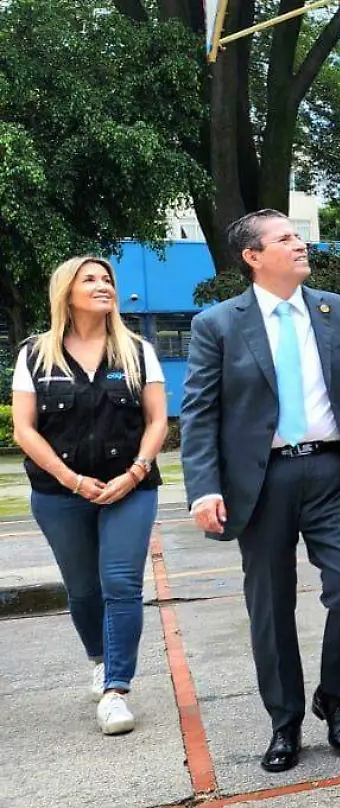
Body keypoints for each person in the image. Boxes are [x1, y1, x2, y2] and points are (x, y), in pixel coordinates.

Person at [179, 210, 340, 773]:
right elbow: (200, 415)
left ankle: (335, 698)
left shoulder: (339, 312)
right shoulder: (218, 325)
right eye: (285, 239)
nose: (300, 245)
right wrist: (203, 488)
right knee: (271, 606)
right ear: (253, 256)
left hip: (332, 472)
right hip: (262, 480)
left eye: (298, 237)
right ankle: (286, 721)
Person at [11, 257, 168, 736]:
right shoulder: (36, 354)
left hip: (130, 488)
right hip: (59, 493)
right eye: (91, 280)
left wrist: (136, 471)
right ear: (66, 292)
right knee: (83, 589)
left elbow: (158, 420)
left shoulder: (138, 351)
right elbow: (24, 429)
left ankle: (116, 690)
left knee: (121, 584)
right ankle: (99, 658)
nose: (103, 286)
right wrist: (72, 480)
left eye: (108, 280)